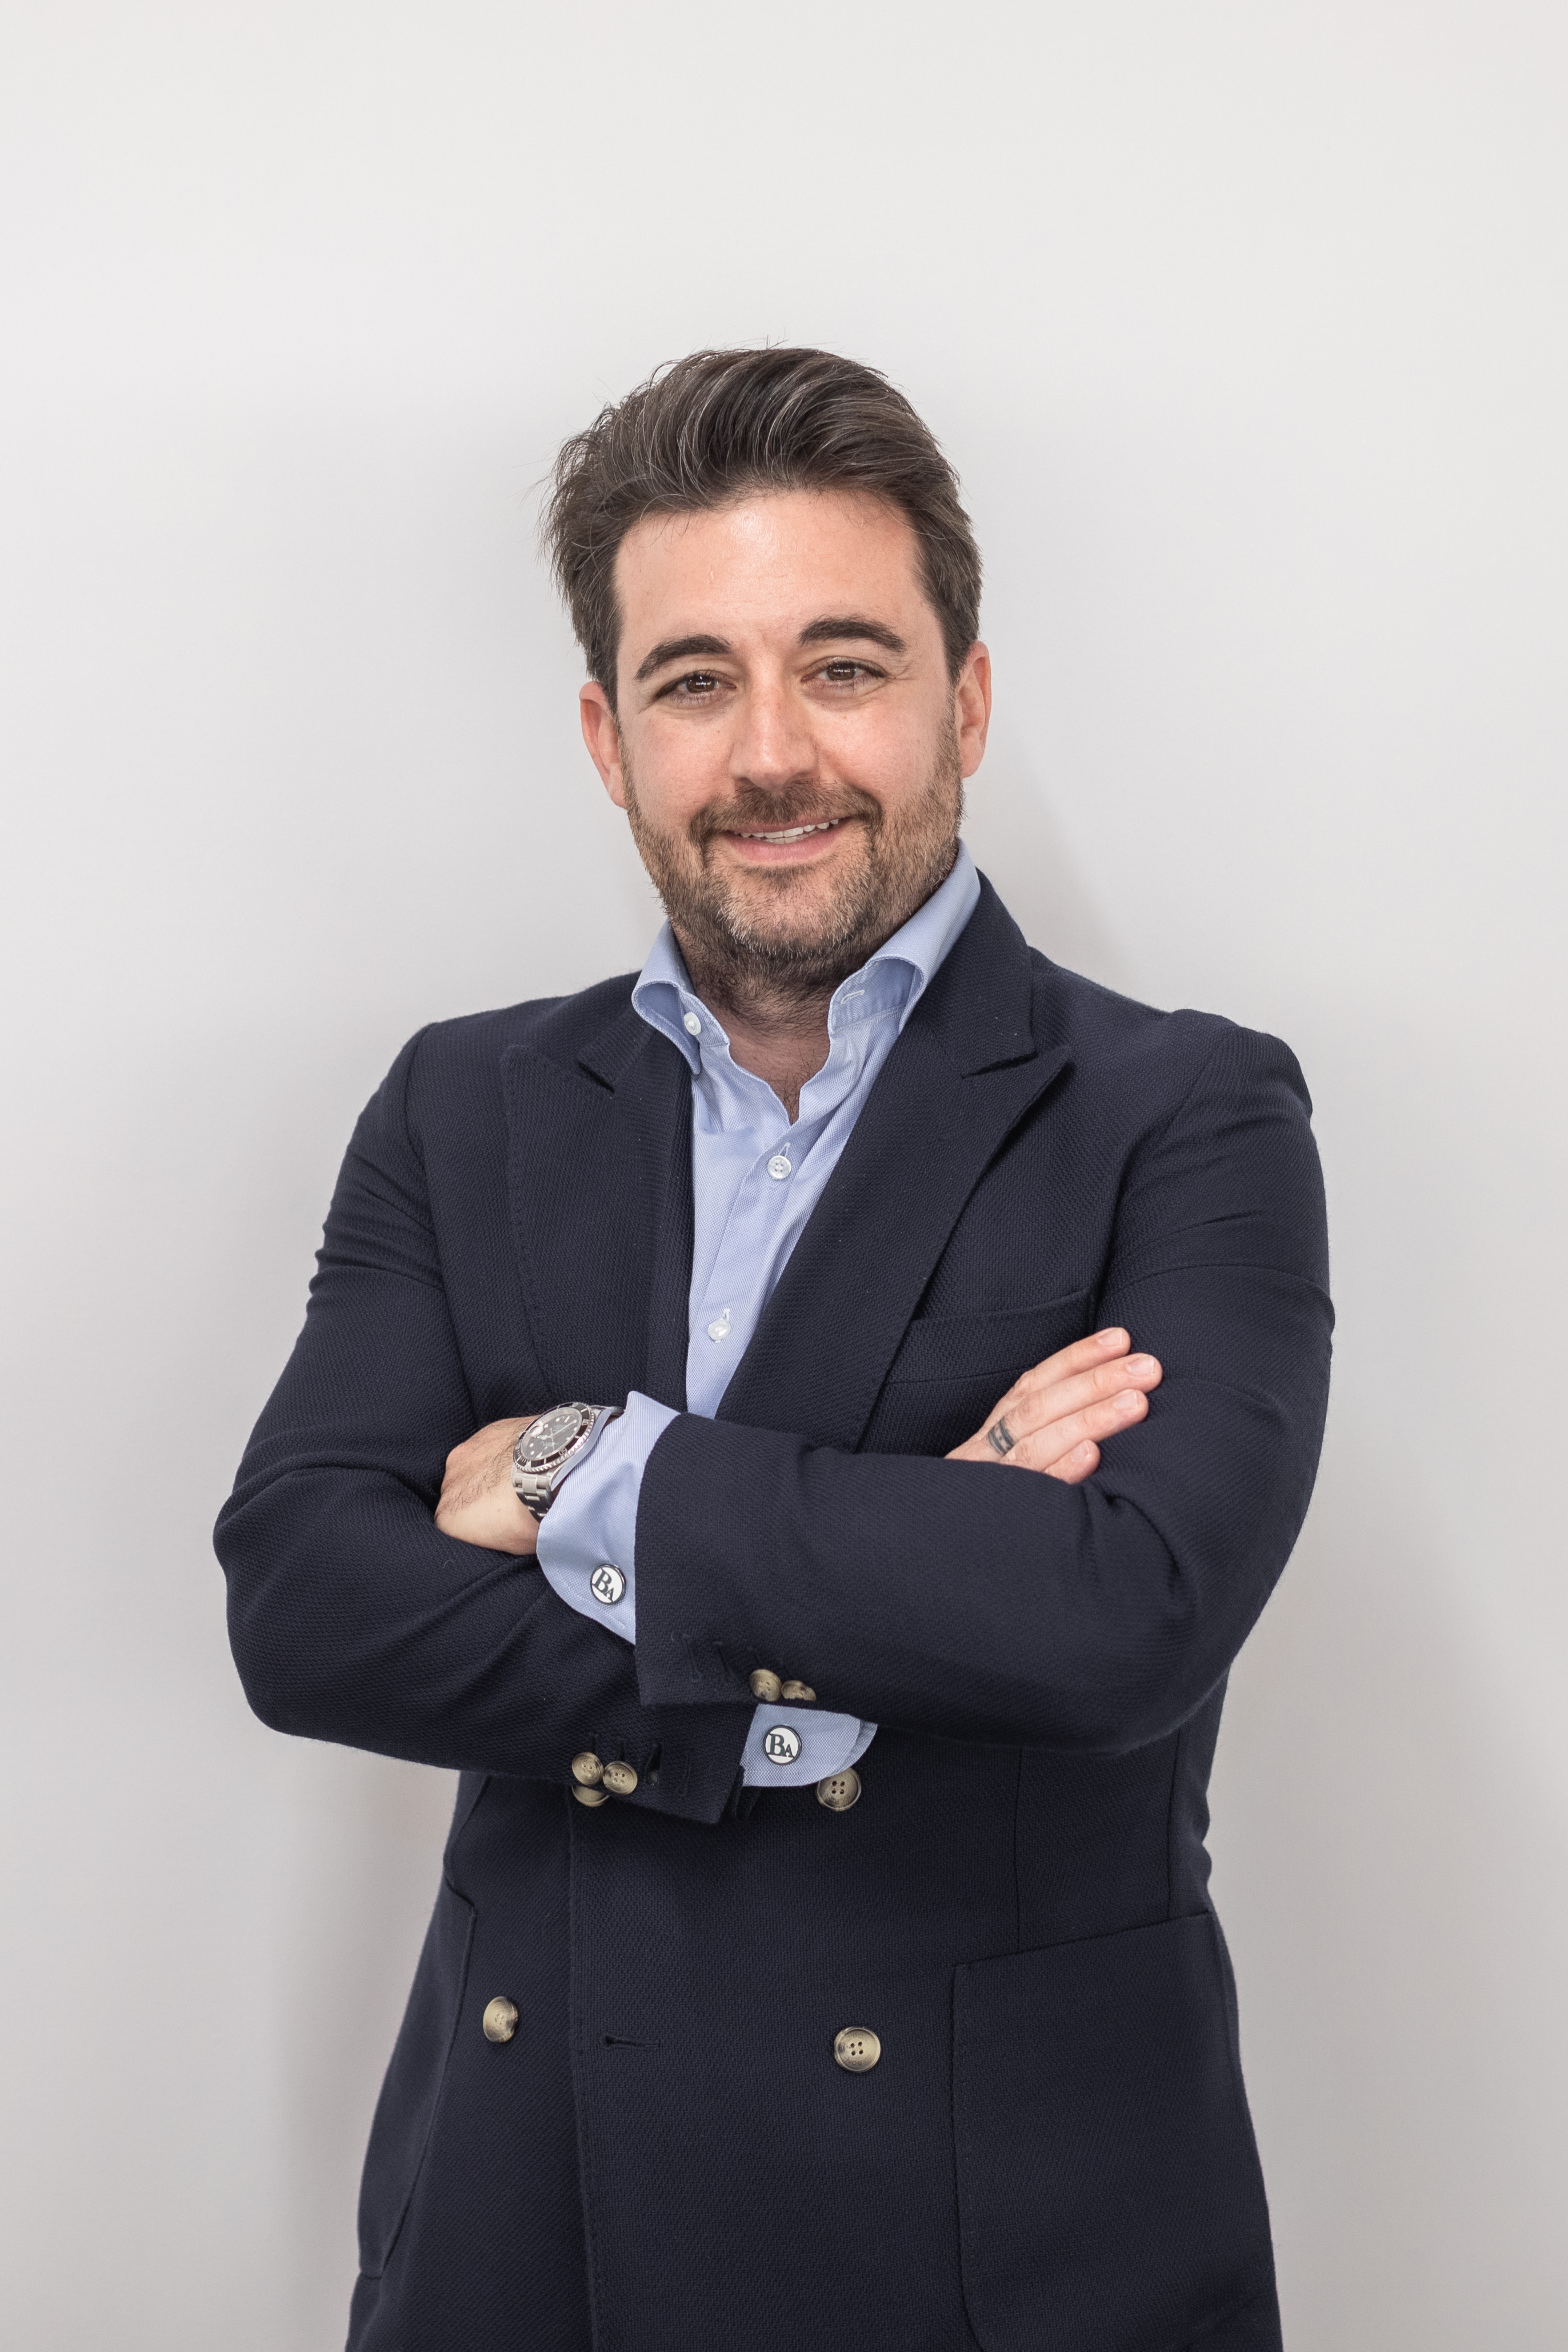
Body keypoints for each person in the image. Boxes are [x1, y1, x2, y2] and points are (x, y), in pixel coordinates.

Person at [216, 346, 1332, 2352]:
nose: (771, 752)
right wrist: (881, 1602)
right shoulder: (461, 1108)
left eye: (843, 664)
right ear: (607, 733)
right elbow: (306, 1603)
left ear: (963, 698)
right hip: (521, 2233)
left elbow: (1124, 1614)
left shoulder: (1186, 1112)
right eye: (694, 679)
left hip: (1007, 2253)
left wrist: (580, 1464)